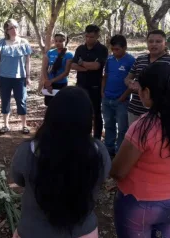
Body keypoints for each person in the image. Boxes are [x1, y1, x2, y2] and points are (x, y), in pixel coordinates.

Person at [110, 63, 170, 237]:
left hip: (139, 204)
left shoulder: (144, 126)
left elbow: (119, 171)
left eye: (140, 88)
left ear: (146, 92)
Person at [11, 86, 110, 238]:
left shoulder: (28, 151)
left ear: (50, 117)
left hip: (34, 230)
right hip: (83, 232)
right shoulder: (99, 151)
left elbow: (19, 180)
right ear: (87, 119)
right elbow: (101, 178)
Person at [125, 30, 170, 125]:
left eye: (158, 41)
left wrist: (144, 88)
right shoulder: (140, 59)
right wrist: (131, 83)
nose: (154, 44)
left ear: (165, 43)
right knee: (133, 138)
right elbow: (127, 79)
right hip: (135, 110)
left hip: (158, 114)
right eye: (151, 41)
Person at [0, 19, 32, 134]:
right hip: (4, 77)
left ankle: (24, 125)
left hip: (20, 78)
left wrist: (28, 76)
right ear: (6, 30)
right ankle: (5, 125)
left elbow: (28, 62)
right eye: (11, 28)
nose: (14, 30)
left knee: (22, 100)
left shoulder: (24, 42)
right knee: (5, 100)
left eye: (15, 27)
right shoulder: (1, 43)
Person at [71, 24, 108, 139]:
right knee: (81, 111)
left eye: (91, 37)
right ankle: (83, 136)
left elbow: (97, 66)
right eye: (86, 36)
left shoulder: (102, 49)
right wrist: (87, 67)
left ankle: (96, 138)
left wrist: (82, 63)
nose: (88, 39)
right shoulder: (80, 49)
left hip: (95, 86)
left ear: (97, 36)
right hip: (81, 85)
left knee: (96, 113)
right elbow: (72, 65)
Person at [101, 35, 135, 156]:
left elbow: (132, 82)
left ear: (125, 48)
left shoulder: (131, 61)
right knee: (109, 124)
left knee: (122, 128)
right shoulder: (109, 60)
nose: (115, 52)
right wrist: (102, 91)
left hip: (121, 100)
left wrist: (124, 96)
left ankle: (119, 150)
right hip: (107, 98)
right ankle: (108, 148)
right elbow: (106, 76)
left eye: (117, 49)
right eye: (113, 49)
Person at [42, 32, 73, 106]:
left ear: (65, 41)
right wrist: (47, 82)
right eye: (56, 41)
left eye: (60, 41)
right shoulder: (50, 52)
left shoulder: (69, 55)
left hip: (61, 84)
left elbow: (66, 72)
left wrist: (51, 81)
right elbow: (44, 68)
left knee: (60, 104)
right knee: (49, 104)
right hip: (49, 83)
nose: (58, 43)